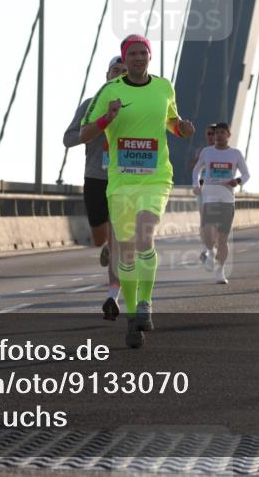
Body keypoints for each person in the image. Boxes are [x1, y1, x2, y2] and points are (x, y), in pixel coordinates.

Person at [80, 34, 195, 348]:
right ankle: (132, 316)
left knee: (145, 235)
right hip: (121, 183)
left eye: (143, 53)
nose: (138, 58)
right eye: (132, 54)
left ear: (149, 56)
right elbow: (83, 133)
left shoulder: (164, 87)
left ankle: (145, 303)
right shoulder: (109, 91)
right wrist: (108, 118)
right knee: (127, 252)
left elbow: (171, 122)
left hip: (156, 178)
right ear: (124, 57)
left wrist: (182, 129)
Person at [63, 55, 128, 321]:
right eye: (116, 70)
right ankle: (108, 247)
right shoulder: (90, 105)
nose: (120, 74)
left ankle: (113, 295)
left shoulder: (138, 106)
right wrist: (97, 125)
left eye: (124, 71)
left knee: (119, 237)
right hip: (95, 177)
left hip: (125, 179)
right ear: (107, 75)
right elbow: (68, 139)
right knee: (100, 238)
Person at [191, 122, 249, 284]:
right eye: (216, 133)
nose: (219, 135)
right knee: (209, 235)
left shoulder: (235, 154)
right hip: (209, 198)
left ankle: (220, 271)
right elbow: (196, 170)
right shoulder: (207, 152)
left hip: (227, 200)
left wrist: (237, 181)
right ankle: (210, 252)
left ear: (228, 135)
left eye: (223, 132)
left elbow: (246, 174)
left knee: (223, 238)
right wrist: (196, 185)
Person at [193, 126, 217, 271]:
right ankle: (206, 249)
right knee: (205, 221)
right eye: (208, 133)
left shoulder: (223, 152)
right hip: (203, 189)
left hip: (218, 190)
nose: (210, 136)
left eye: (213, 133)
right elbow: (195, 169)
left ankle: (212, 246)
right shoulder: (202, 151)